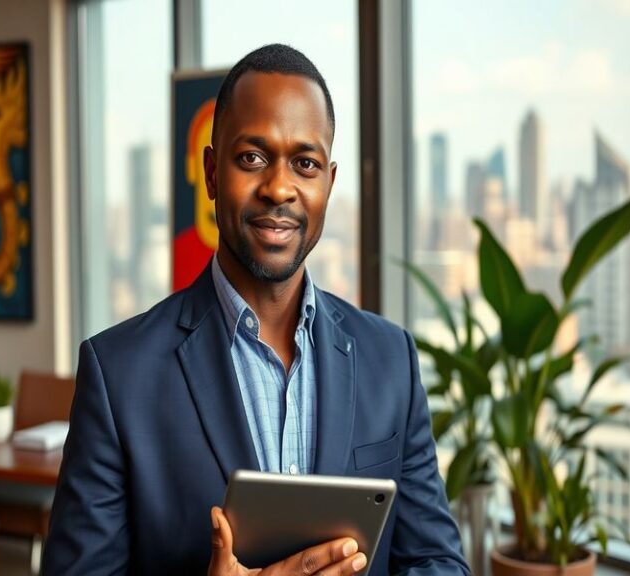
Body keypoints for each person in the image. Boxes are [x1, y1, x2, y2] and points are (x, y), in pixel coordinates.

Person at [44, 44, 469, 575]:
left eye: (305, 163)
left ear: (329, 184)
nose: (279, 188)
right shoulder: (119, 375)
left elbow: (437, 561)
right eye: (253, 158)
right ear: (212, 173)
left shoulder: (391, 360)